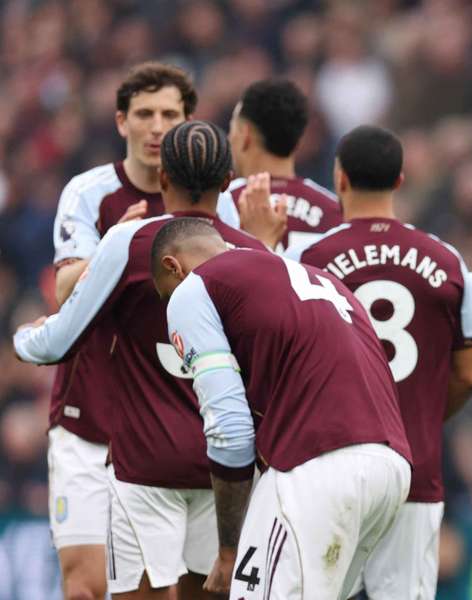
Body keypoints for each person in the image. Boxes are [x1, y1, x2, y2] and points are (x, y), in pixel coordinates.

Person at [16, 121, 267, 599]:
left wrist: (23, 338)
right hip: (223, 471)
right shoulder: (254, 254)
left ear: (163, 178)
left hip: (143, 469)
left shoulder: (129, 241)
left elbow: (59, 341)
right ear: (228, 181)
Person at [45, 62, 236, 600]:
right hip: (89, 419)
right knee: (86, 588)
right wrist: (117, 246)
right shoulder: (90, 192)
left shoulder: (219, 206)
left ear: (188, 122)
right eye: (145, 114)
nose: (156, 127)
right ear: (121, 121)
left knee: (179, 591)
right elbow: (64, 290)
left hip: (174, 430)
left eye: (169, 115)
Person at [151, 218, 412, 599]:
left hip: (315, 464)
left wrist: (228, 548)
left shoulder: (194, 287)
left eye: (166, 294)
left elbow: (229, 429)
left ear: (173, 267)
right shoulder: (319, 278)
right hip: (390, 468)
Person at [295, 125, 472, 600]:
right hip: (414, 465)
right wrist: (419, 416)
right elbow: (467, 376)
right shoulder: (447, 260)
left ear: (339, 178)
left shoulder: (307, 259)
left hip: (332, 463)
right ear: (400, 179)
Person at [227, 78, 342, 251]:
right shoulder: (334, 212)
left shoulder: (222, 205)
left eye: (232, 129)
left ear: (245, 135)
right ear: (298, 140)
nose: (229, 138)